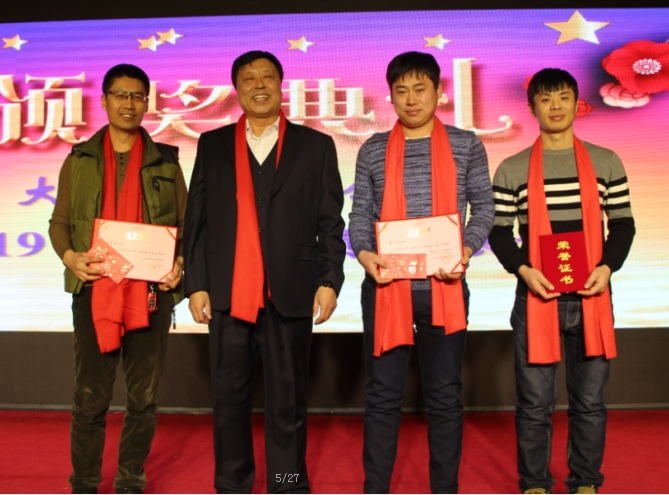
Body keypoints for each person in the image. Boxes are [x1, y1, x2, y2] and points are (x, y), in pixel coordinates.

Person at [183, 50, 346, 494]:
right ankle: (232, 486)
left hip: (289, 291)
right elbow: (196, 221)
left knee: (288, 404)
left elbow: (331, 222)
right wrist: (196, 285)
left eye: (267, 77)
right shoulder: (213, 144)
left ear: (280, 83)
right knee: (228, 401)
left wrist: (329, 280)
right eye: (249, 78)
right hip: (227, 293)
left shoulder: (315, 146)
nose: (259, 85)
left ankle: (287, 485)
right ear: (236, 89)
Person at [348, 51, 494, 494]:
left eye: (420, 89)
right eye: (401, 91)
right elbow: (360, 215)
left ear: (438, 92)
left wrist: (465, 249)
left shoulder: (467, 144)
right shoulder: (373, 148)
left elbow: (484, 209)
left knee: (445, 394)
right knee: (382, 394)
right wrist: (365, 254)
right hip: (386, 287)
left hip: (445, 287)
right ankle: (376, 488)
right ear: (390, 96)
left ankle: (444, 489)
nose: (411, 99)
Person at [489, 68, 635, 494]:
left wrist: (607, 267)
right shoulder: (512, 168)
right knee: (535, 403)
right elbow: (499, 232)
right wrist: (524, 270)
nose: (555, 106)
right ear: (531, 107)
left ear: (577, 103)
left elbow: (622, 224)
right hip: (536, 299)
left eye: (564, 97)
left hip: (592, 296)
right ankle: (534, 482)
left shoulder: (606, 161)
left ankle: (585, 480)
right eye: (546, 99)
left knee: (589, 401)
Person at [49, 64, 187, 494]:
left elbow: (186, 224)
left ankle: (130, 481)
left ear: (147, 102)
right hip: (94, 291)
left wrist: (179, 263)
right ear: (105, 100)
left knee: (143, 399)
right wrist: (71, 257)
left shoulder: (166, 161)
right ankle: (85, 483)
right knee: (89, 398)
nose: (129, 104)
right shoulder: (80, 159)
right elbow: (58, 223)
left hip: (150, 294)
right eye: (120, 95)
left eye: (137, 96)